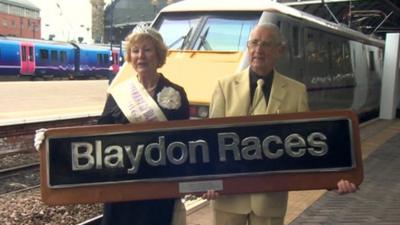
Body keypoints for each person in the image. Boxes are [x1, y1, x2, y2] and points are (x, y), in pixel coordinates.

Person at [202, 23, 358, 225]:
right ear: (248, 48)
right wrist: (207, 180)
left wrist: (333, 181)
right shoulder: (224, 87)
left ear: (280, 51)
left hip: (270, 200)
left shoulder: (296, 91)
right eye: (254, 43)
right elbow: (211, 141)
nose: (259, 50)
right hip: (228, 196)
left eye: (266, 44)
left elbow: (307, 147)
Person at [98, 24, 189, 225]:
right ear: (129, 56)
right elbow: (100, 137)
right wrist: (49, 138)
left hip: (158, 185)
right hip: (122, 185)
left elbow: (184, 140)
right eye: (135, 51)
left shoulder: (176, 93)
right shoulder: (118, 94)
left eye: (147, 50)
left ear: (158, 55)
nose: (141, 56)